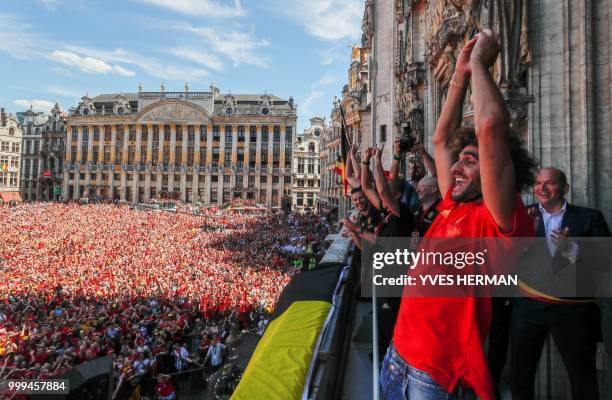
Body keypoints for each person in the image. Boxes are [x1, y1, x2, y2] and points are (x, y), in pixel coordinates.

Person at [382, 30, 537, 400]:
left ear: (497, 171)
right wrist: (458, 75)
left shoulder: (499, 221)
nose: (456, 168)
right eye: (460, 160)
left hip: (434, 377)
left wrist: (482, 66)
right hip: (396, 357)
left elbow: (490, 127)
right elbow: (440, 137)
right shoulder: (453, 202)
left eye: (471, 161)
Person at [509, 167, 610, 400]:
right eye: (538, 183)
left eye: (550, 183)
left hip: (573, 308)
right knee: (520, 375)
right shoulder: (522, 216)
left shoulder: (589, 217)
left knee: (582, 376)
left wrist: (571, 249)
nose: (542, 188)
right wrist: (519, 245)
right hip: (528, 308)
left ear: (565, 188)